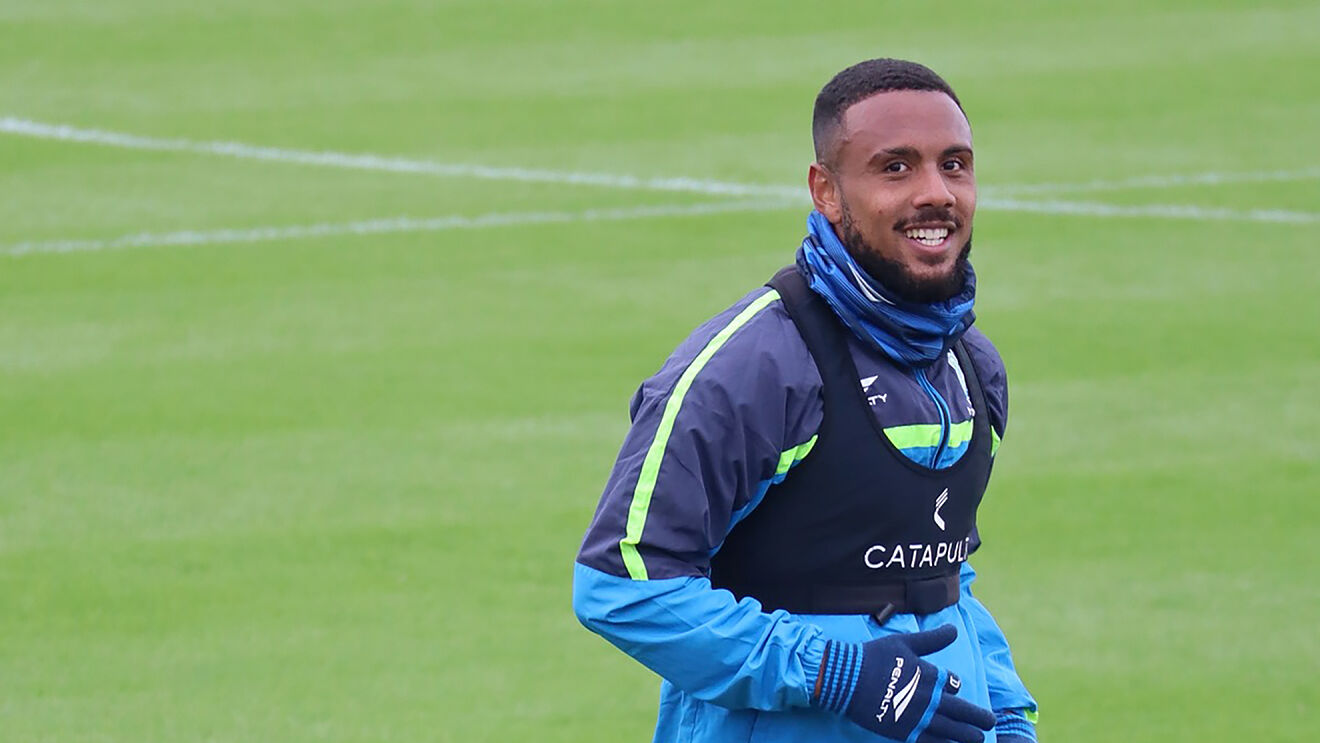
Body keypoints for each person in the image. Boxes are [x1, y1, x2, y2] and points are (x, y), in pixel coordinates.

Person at [573, 58, 1039, 743]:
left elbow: (938, 574)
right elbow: (621, 585)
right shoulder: (753, 369)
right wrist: (833, 672)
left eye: (955, 164)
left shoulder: (971, 370)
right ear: (826, 191)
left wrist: (1005, 714)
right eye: (896, 167)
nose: (936, 192)